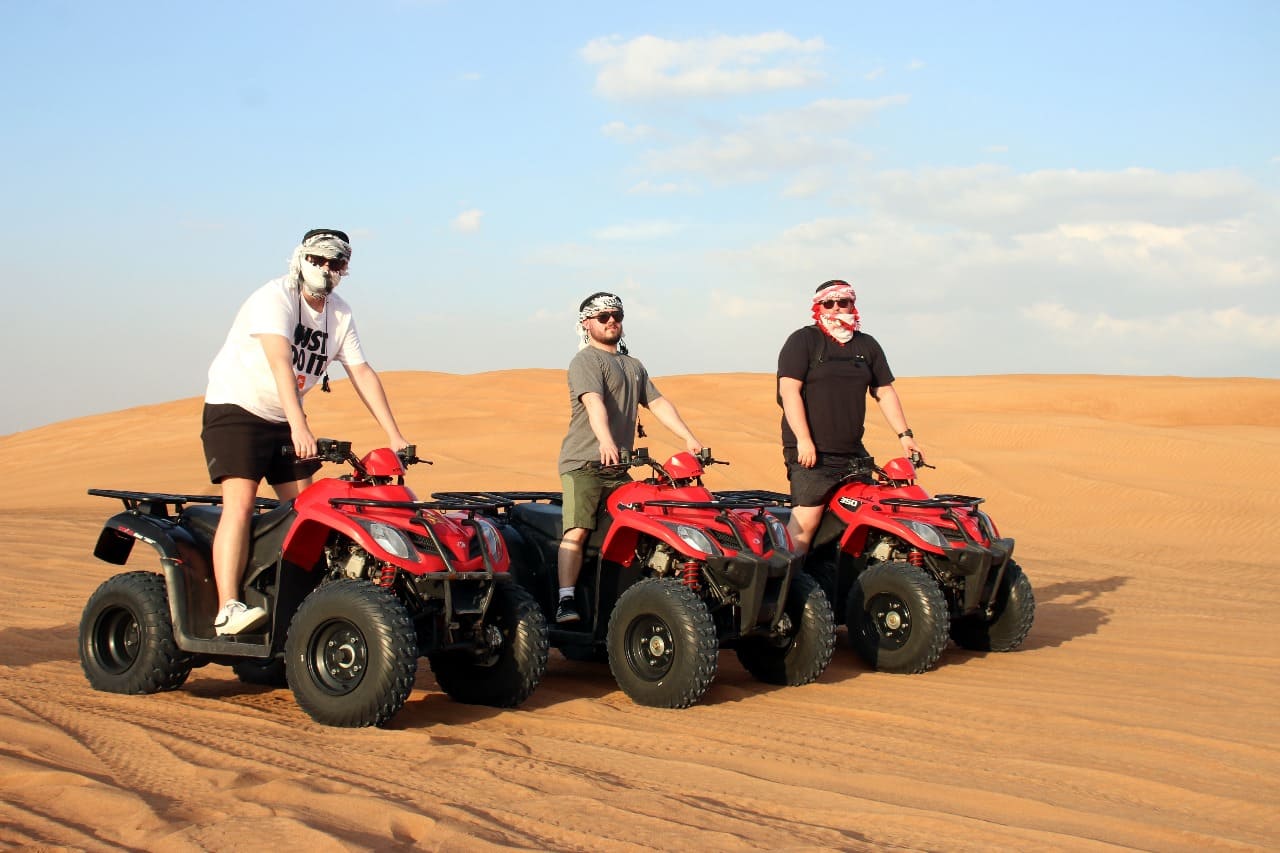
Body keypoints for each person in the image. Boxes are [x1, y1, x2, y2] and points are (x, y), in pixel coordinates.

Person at [202, 228, 411, 635]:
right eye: (319, 259)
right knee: (240, 504)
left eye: (337, 263)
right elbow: (281, 362)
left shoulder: (341, 312)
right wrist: (300, 425)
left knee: (305, 512)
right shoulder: (274, 297)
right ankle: (228, 605)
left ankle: (291, 602)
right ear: (300, 258)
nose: (327, 269)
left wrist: (395, 434)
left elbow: (361, 371)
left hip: (287, 418)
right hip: (238, 410)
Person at [554, 291, 703, 623]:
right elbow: (594, 403)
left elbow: (659, 403)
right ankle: (565, 599)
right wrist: (605, 441)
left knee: (640, 524)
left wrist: (688, 437)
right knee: (577, 529)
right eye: (603, 317)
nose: (611, 322)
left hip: (619, 468)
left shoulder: (633, 365)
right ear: (585, 324)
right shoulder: (586, 361)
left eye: (616, 316)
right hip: (584, 465)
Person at [777, 279, 924, 555]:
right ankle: (787, 589)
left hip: (853, 455)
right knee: (805, 525)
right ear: (818, 306)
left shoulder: (866, 345)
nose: (835, 308)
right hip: (813, 455)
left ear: (852, 304)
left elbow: (884, 391)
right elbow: (789, 391)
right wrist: (804, 440)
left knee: (867, 518)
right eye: (828, 303)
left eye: (842, 302)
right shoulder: (804, 340)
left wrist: (905, 436)